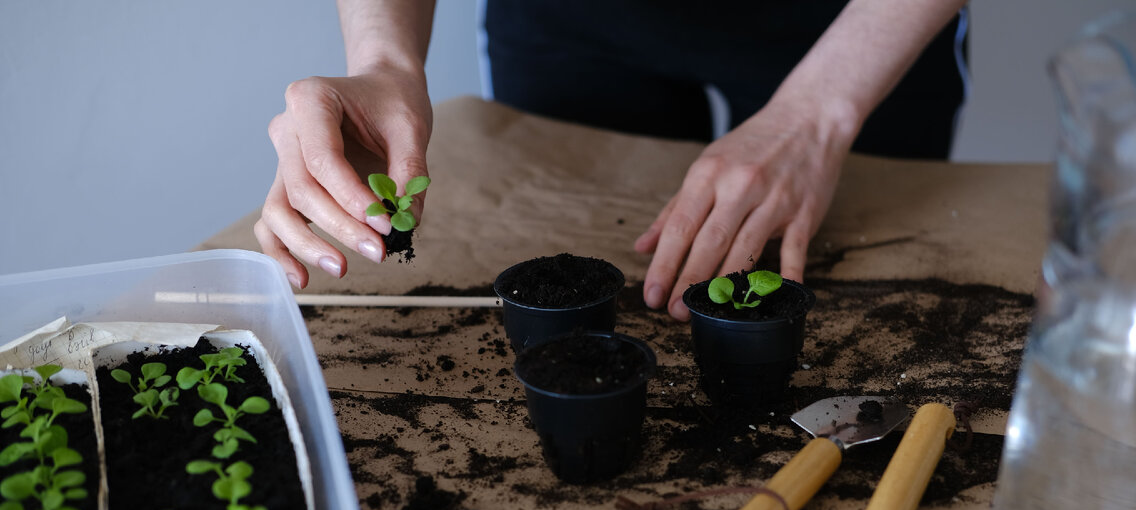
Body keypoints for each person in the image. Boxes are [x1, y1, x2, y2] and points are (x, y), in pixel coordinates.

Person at [256, 0, 969, 320]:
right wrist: (385, 61)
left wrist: (818, 114)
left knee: (842, 290)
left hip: (851, 23)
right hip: (577, 20)